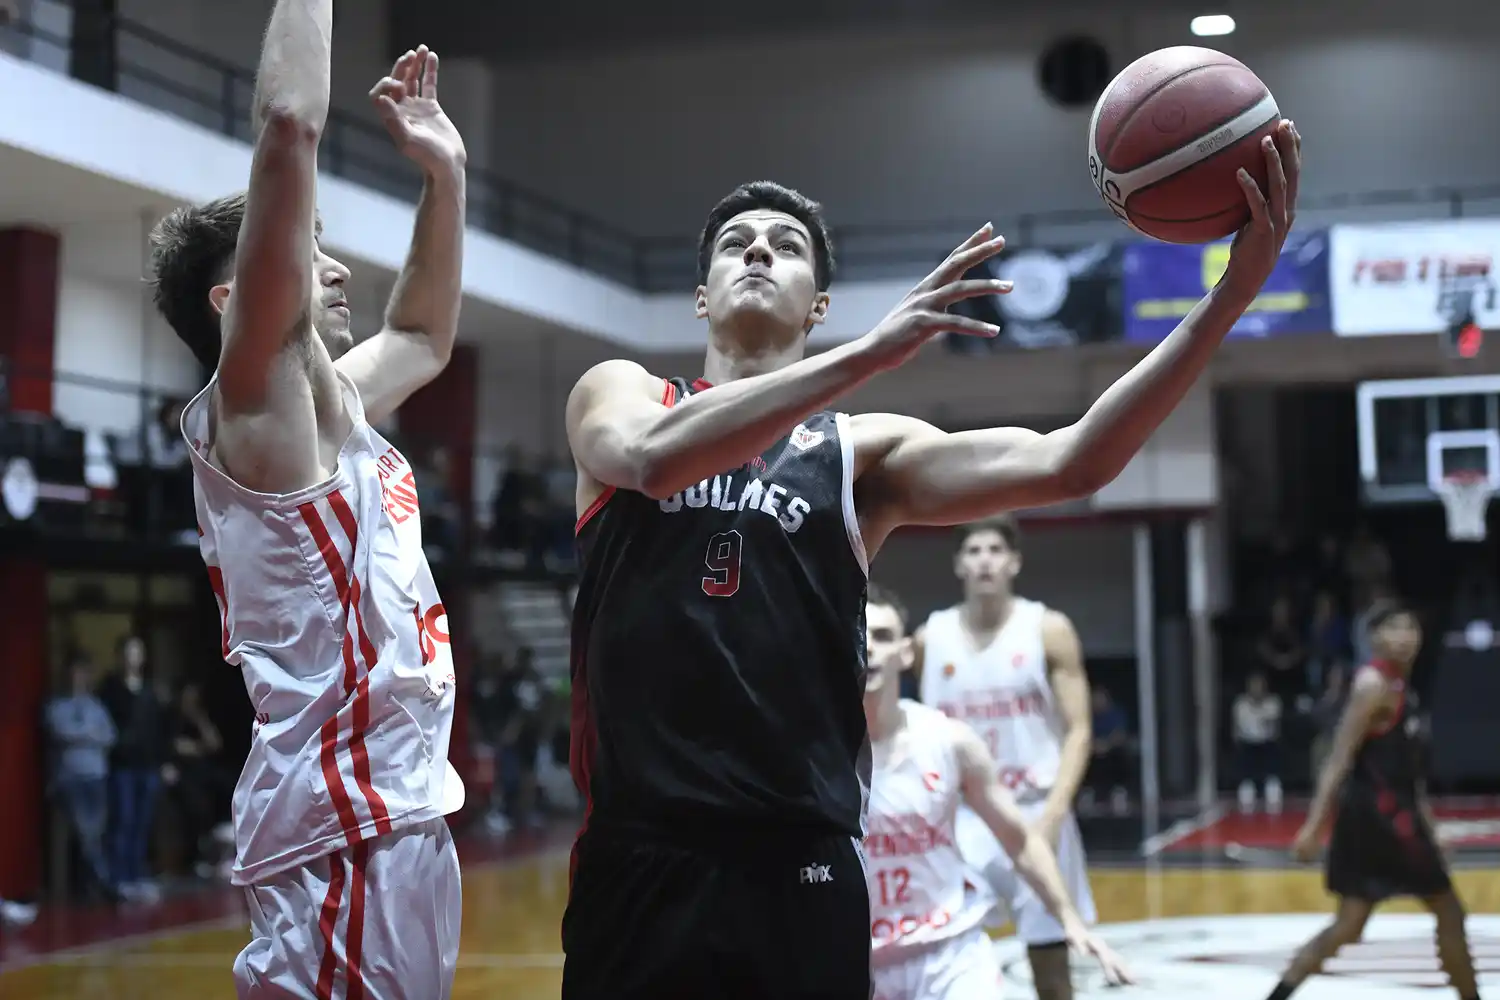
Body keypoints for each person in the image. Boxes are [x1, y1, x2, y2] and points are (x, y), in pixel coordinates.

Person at [562, 121, 1300, 1000]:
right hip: (640, 853)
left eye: (786, 246)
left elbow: (1074, 460)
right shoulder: (623, 391)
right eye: (735, 245)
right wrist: (869, 354)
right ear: (700, 295)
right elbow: (650, 461)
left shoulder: (861, 452)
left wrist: (1232, 295)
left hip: (800, 859)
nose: (758, 251)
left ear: (818, 305)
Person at [147, 0, 469, 993]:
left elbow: (422, 336)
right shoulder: (259, 408)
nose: (331, 266)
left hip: (391, 808)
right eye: (305, 246)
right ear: (233, 300)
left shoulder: (334, 406)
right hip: (341, 824)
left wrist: (445, 176)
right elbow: (289, 123)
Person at [861, 584, 1128, 1000]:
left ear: (906, 652)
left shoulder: (949, 741)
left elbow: (1019, 840)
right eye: (860, 635)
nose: (870, 648)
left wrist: (1069, 920)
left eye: (882, 636)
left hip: (948, 954)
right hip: (862, 959)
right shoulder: (815, 753)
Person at [914, 517, 1098, 1000]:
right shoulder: (929, 638)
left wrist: (1056, 814)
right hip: (960, 819)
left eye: (996, 550)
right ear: (958, 564)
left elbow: (1079, 731)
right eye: (973, 551)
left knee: (1051, 968)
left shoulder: (1048, 629)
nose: (985, 560)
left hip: (1035, 809)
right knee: (944, 957)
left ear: (1014, 562)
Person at [1274, 604, 1479, 1000]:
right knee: (1450, 913)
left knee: (1349, 925)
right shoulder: (1372, 685)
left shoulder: (1403, 687)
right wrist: (1313, 827)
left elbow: (1409, 774)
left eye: (1411, 627)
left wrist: (1431, 829)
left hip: (1387, 819)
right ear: (1374, 639)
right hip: (1381, 820)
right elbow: (1339, 758)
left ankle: (1279, 995)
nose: (1405, 636)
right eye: (1394, 628)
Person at [97, 635, 165, 903]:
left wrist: (162, 763)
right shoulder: (110, 688)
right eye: (128, 651)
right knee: (122, 821)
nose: (132, 657)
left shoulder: (149, 691)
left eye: (137, 651)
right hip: (122, 766)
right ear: (120, 656)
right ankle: (120, 879)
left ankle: (137, 876)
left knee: (142, 823)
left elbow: (159, 730)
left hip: (147, 766)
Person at [46, 655, 121, 902]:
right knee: (85, 832)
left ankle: (94, 887)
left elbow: (109, 736)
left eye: (83, 673)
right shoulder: (57, 706)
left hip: (97, 776)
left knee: (95, 833)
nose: (78, 678)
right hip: (71, 778)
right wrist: (90, 734)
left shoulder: (97, 706)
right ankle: (104, 883)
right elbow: (61, 732)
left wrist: (83, 735)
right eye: (74, 673)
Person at [1232, 670, 1284, 814]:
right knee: (1245, 755)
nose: (1256, 689)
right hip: (1247, 744)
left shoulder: (1273, 702)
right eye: (1253, 685)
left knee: (1271, 753)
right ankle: (1246, 787)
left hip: (1267, 742)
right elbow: (1236, 729)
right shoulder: (1240, 704)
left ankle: (1272, 787)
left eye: (1259, 685)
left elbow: (1275, 727)